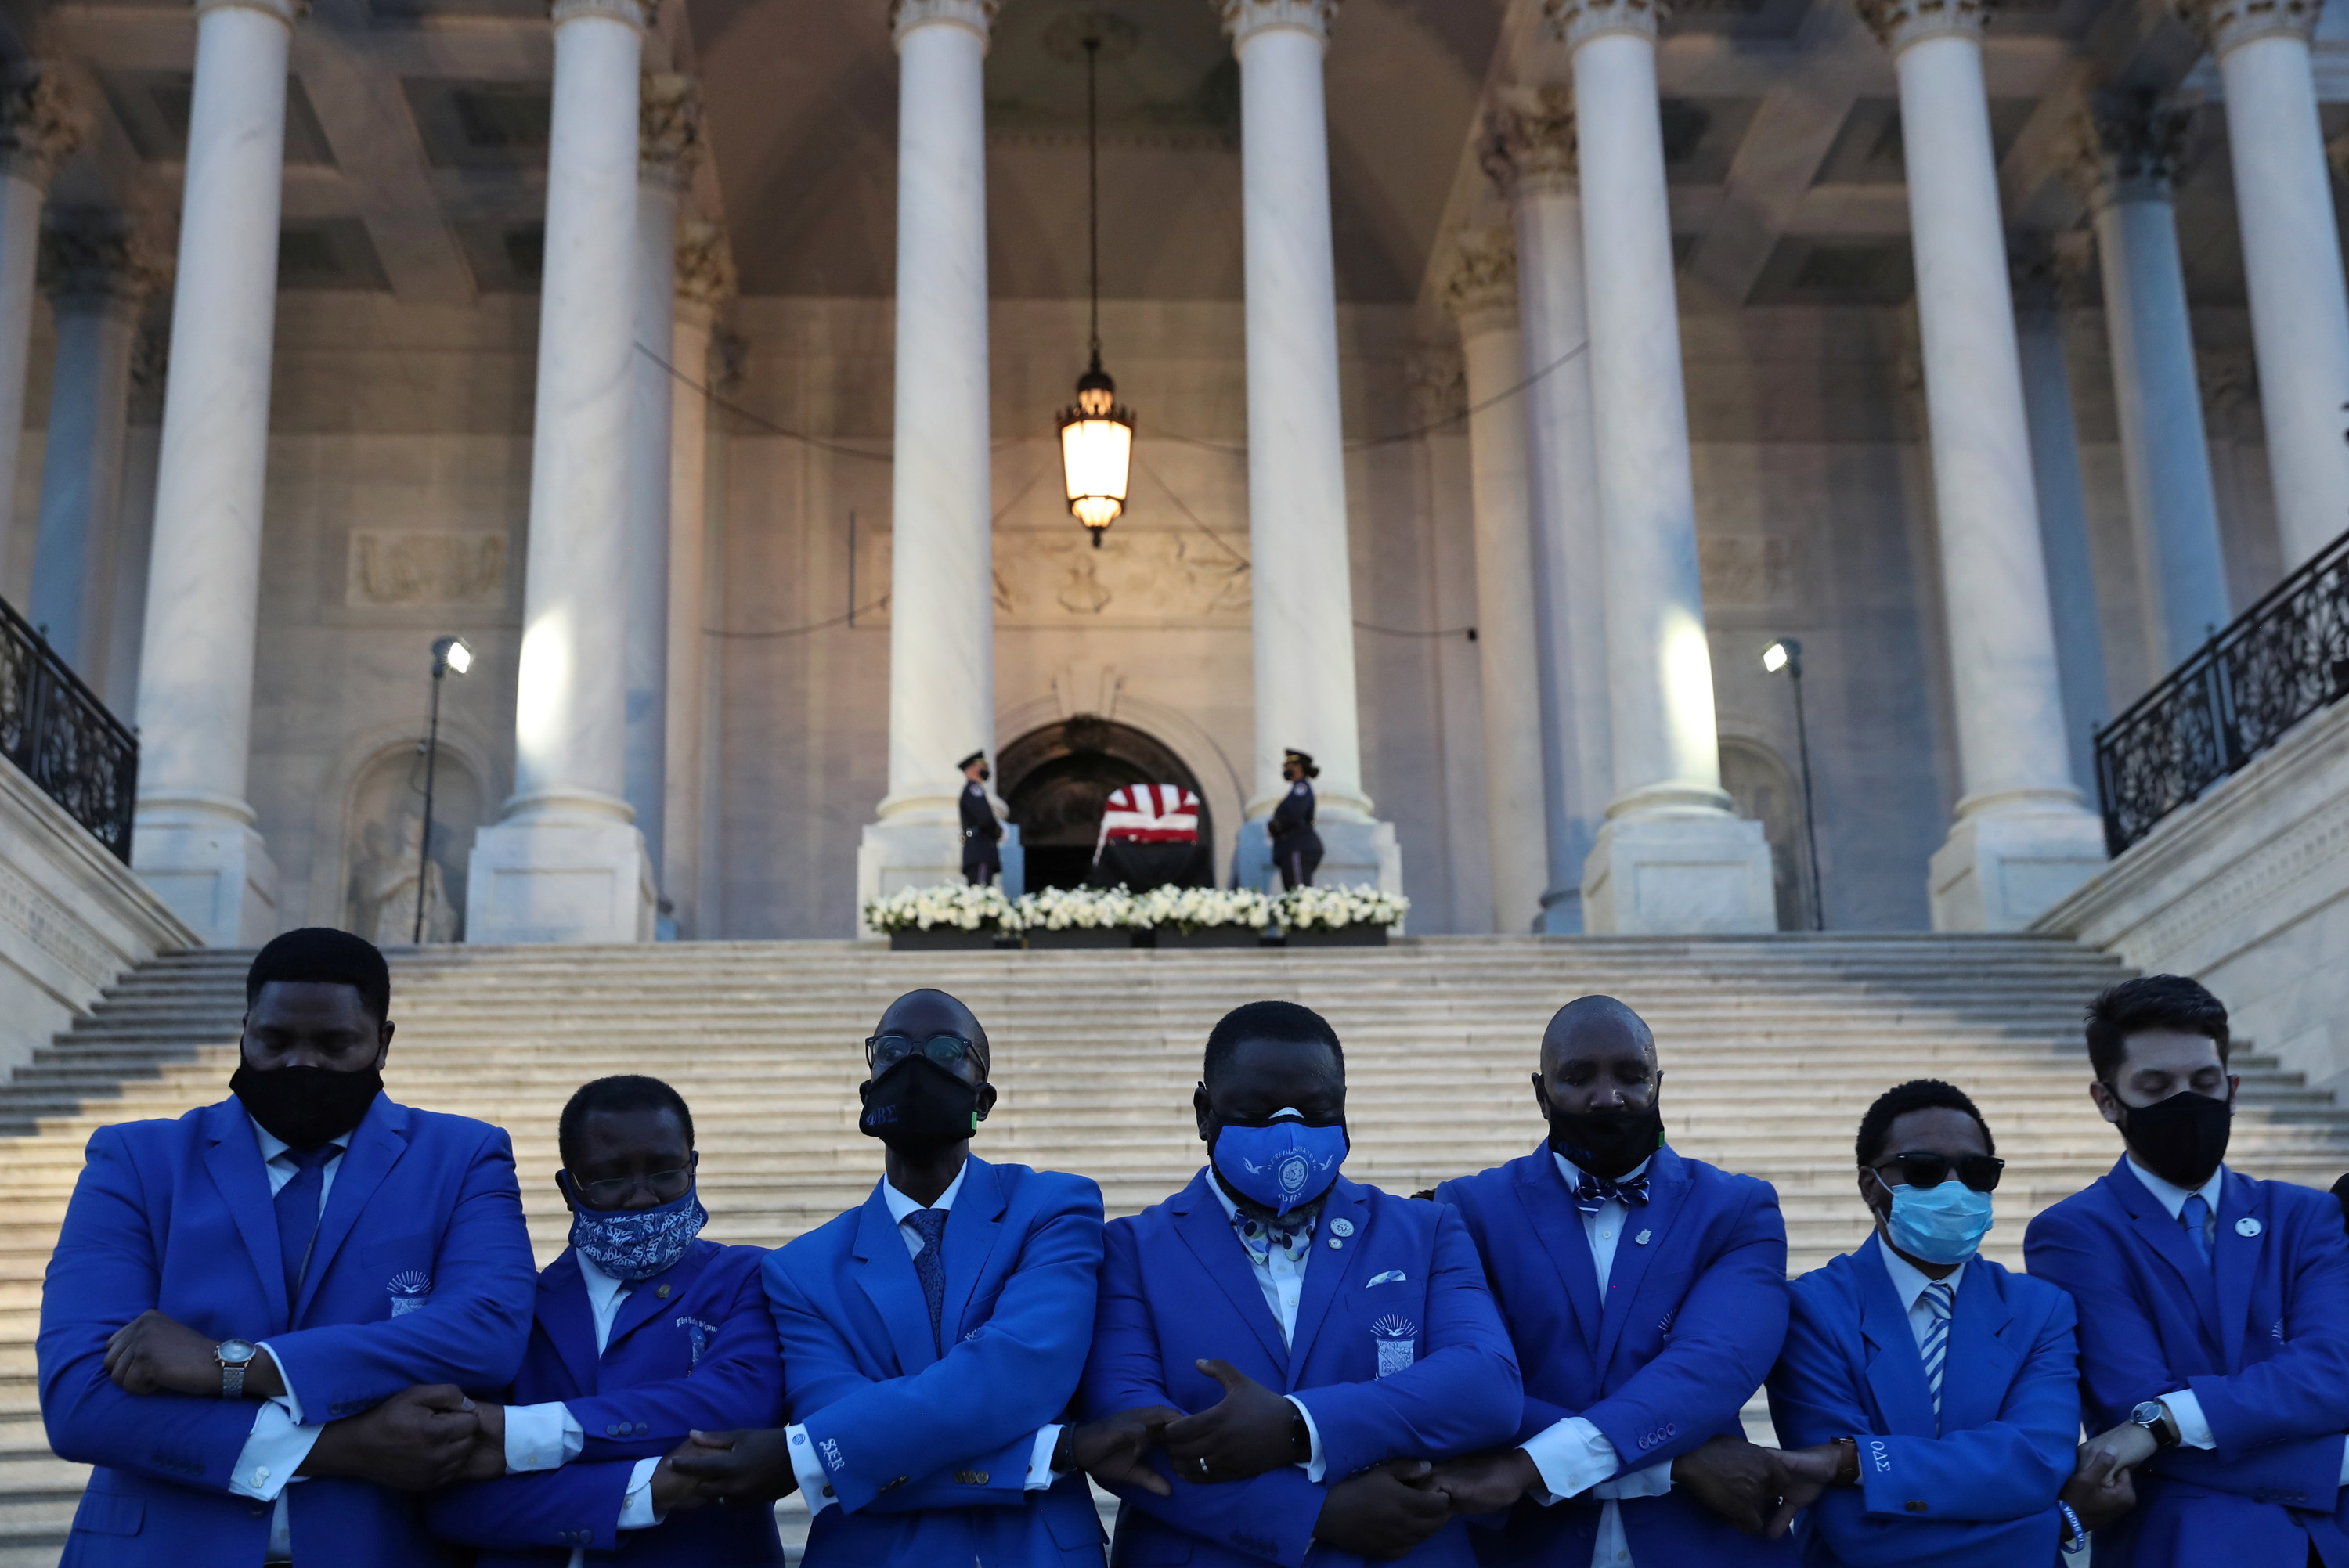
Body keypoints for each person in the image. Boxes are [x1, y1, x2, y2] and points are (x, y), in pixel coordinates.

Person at [38, 927, 537, 1567]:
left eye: (335, 1044)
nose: (302, 1064)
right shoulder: (137, 1160)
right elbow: (81, 1402)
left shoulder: (462, 1156)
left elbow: (486, 1333)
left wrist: (234, 1364)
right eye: (274, 1042)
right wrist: (349, 1443)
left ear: (383, 1043)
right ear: (244, 1030)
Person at [667, 987, 1133, 1566]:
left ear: (982, 1099)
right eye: (891, 1051)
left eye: (944, 1050)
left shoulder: (1054, 1206)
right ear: (868, 1092)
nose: (915, 1066)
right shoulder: (799, 1269)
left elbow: (1015, 1376)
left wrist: (809, 1457)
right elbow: (834, 1418)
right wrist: (1057, 1449)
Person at [1080, 1000, 1523, 1566]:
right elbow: (1131, 1433)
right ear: (1203, 1111)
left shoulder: (1427, 1229)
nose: (1290, 1132)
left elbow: (1487, 1386)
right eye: (1259, 1110)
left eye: (1316, 1109)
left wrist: (1297, 1427)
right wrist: (1314, 1513)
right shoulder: (1130, 1249)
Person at [1423, 995, 1798, 1566]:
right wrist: (1676, 1462)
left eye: (1631, 1075)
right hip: (1523, 1546)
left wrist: (1531, 1465)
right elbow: (1474, 1386)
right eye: (1577, 1077)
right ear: (1540, 1091)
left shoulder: (1737, 1208)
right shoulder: (1467, 1210)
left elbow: (1711, 1368)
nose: (1608, 1097)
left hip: (1704, 1543)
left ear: (1658, 1083)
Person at [2026, 974, 2349, 1567]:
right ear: (2107, 1099)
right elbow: (2131, 1405)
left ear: (2232, 1087)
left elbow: (2334, 1372)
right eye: (2156, 1085)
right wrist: (2336, 1459)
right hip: (2188, 1544)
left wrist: (2169, 1419)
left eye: (2203, 1082)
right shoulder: (2073, 1233)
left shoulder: (2308, 1215)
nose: (2187, 1100)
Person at [427, 1075, 787, 1565]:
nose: (642, 1198)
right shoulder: (515, 1305)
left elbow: (738, 1405)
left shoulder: (748, 1276)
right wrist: (641, 1491)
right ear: (567, 1187)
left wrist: (524, 1435)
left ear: (694, 1167)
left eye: (665, 1172)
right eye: (610, 1178)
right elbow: (456, 1499)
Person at [1763, 1079, 2109, 1563]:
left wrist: (1856, 1461)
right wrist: (2053, 1527)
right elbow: (1857, 1529)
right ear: (1870, 1186)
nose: (1954, 1189)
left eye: (1976, 1172)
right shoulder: (1813, 1311)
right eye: (1922, 1170)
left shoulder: (2041, 1309)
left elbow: (2036, 1465)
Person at [1268, 750, 1322, 892]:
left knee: (1299, 895)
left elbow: (1295, 813)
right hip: (1291, 847)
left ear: (1299, 767)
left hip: (1297, 846)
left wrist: (1277, 825)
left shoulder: (1301, 788)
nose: (1286, 769)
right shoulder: (1296, 789)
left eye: (1289, 765)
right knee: (1294, 895)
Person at [960, 751, 1004, 888]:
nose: (987, 769)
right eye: (984, 766)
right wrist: (998, 831)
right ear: (974, 768)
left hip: (975, 849)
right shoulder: (974, 789)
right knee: (980, 895)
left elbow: (967, 832)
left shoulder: (970, 790)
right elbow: (984, 819)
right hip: (981, 849)